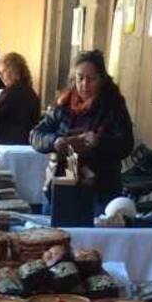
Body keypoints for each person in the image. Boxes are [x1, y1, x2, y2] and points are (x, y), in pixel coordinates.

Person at [30, 50, 135, 211]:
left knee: (96, 234)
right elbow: (35, 135)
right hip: (61, 183)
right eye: (80, 78)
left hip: (101, 188)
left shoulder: (113, 106)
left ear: (101, 78)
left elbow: (126, 144)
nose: (84, 84)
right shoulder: (64, 104)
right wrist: (55, 141)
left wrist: (99, 142)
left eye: (91, 79)